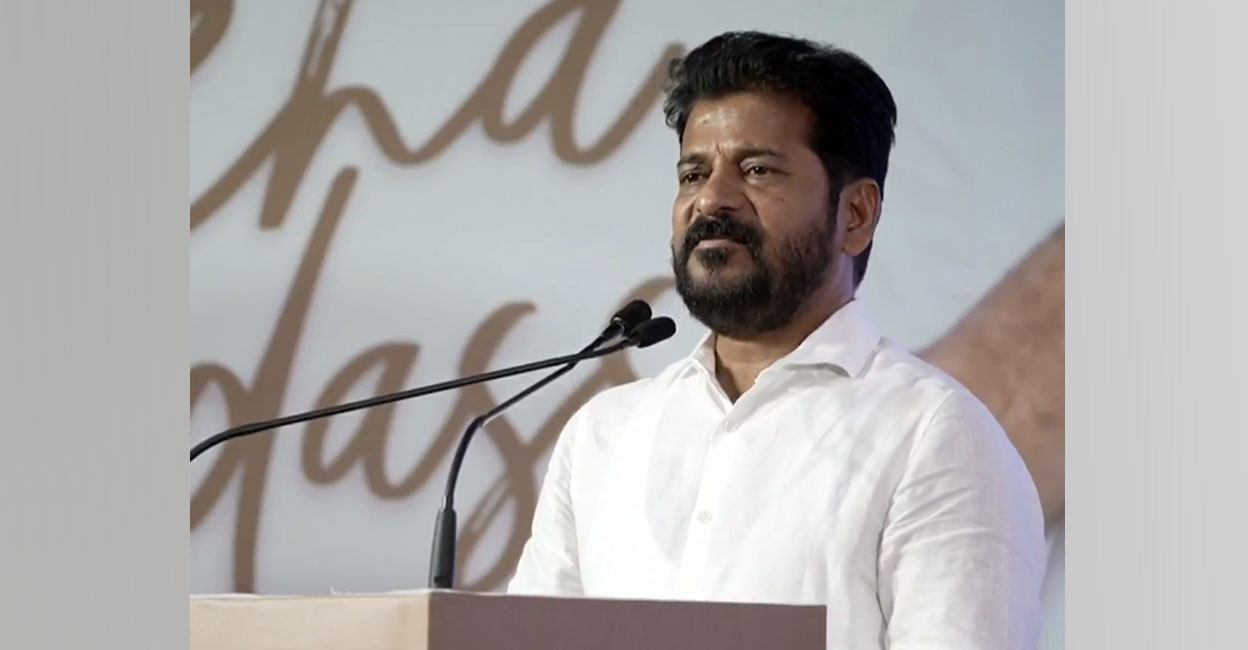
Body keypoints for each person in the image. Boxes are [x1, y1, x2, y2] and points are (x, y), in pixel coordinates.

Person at [508, 31, 1046, 650]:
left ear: (855, 214)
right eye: (693, 173)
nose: (712, 199)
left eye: (757, 170)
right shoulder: (603, 434)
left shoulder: (934, 435)